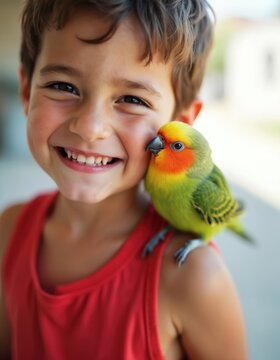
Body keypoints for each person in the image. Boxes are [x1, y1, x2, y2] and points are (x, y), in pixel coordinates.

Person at [0, 0, 249, 359]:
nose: (90, 128)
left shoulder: (195, 278)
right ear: (26, 92)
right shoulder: (8, 231)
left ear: (181, 123)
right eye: (63, 86)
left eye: (132, 99)